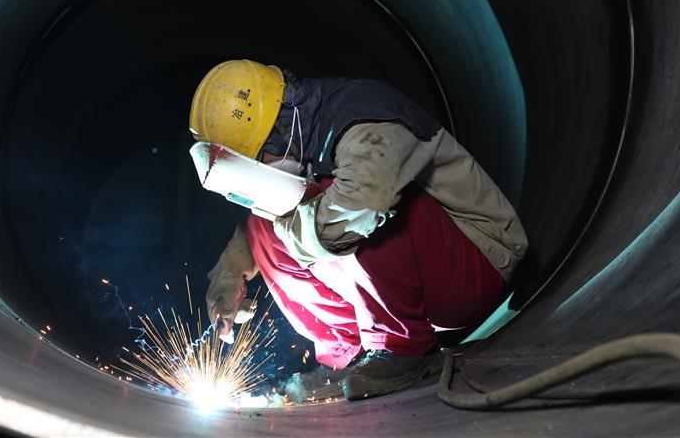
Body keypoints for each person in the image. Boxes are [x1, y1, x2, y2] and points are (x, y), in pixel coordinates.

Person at [190, 60, 527, 402]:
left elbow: (363, 206)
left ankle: (402, 348)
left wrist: (287, 229)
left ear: (277, 131)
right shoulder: (299, 134)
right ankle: (348, 355)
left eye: (256, 164)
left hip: (478, 267)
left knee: (349, 209)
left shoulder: (364, 117)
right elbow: (274, 222)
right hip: (425, 280)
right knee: (264, 225)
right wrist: (233, 268)